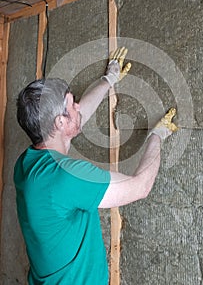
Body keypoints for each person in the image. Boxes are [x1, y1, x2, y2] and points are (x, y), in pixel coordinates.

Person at [14, 47, 178, 285]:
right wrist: (156, 136)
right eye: (72, 104)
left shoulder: (26, 164)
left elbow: (74, 125)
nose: (78, 106)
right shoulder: (68, 177)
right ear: (59, 122)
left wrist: (108, 79)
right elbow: (140, 187)